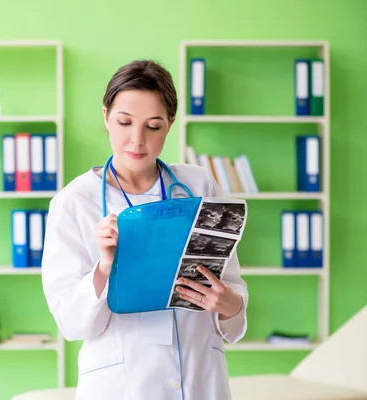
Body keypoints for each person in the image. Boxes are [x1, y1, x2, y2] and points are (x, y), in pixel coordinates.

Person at [41, 59, 248, 400]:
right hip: (122, 386)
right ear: (106, 116)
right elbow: (71, 323)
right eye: (124, 122)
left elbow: (233, 294)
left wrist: (227, 303)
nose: (137, 140)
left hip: (200, 380)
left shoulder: (198, 185)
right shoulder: (73, 202)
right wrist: (104, 266)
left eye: (153, 126)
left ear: (170, 124)